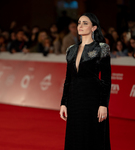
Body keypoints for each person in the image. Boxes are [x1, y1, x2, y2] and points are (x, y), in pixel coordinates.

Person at [60, 13, 111, 150]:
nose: (80, 26)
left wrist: (103, 104)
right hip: (74, 99)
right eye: (79, 23)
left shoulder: (102, 48)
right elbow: (68, 79)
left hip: (92, 100)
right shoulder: (71, 50)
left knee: (93, 137)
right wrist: (64, 103)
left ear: (94, 27)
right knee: (75, 136)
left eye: (85, 23)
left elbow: (106, 79)